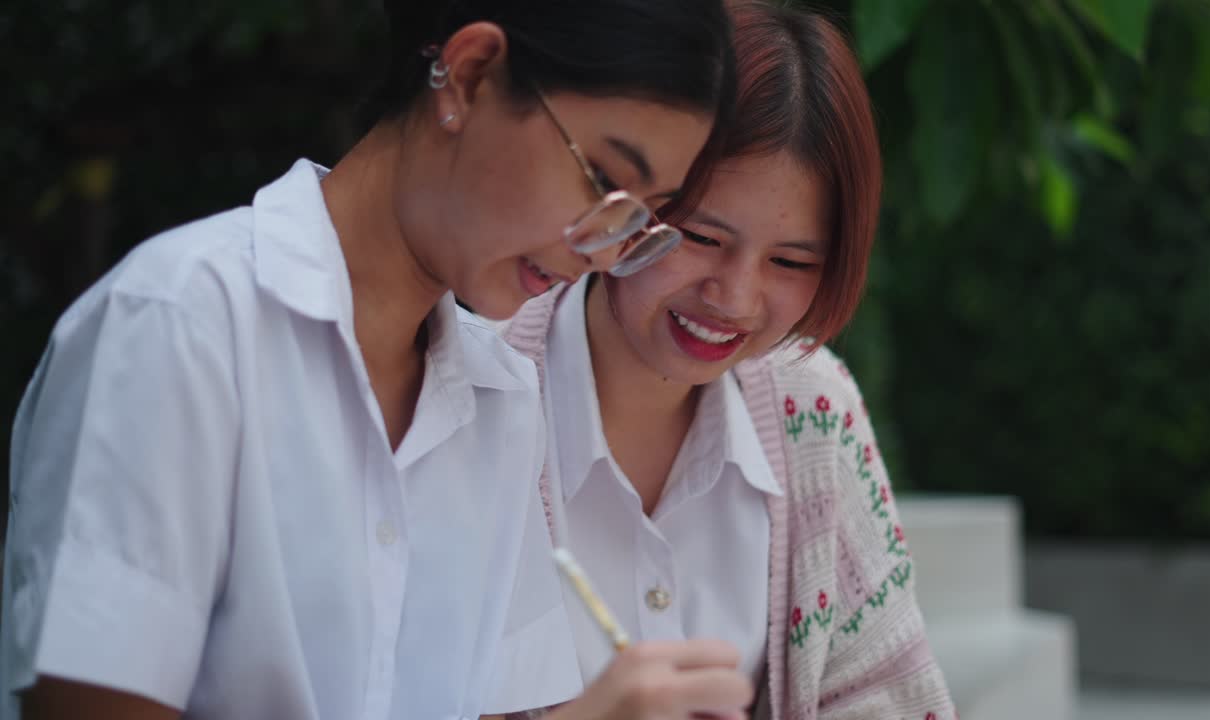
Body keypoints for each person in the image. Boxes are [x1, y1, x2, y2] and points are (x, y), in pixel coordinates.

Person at [1, 2, 756, 718]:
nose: (604, 251)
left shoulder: (501, 398)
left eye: (639, 220)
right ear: (470, 76)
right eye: (603, 183)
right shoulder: (180, 324)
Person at [503, 1, 956, 717]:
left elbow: (887, 694)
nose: (735, 299)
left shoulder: (814, 409)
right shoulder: (476, 394)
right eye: (703, 238)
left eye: (791, 261)